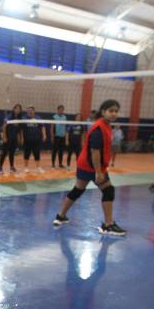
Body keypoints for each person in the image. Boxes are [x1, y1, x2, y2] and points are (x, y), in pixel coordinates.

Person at [52, 99, 126, 236]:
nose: (114, 113)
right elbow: (95, 152)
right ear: (103, 112)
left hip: (84, 164)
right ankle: (108, 225)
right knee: (109, 190)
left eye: (116, 111)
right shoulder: (99, 128)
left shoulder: (105, 126)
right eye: (111, 111)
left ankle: (60, 216)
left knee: (78, 190)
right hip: (92, 166)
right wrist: (98, 172)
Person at [0, 104, 24, 175]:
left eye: (19, 109)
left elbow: (20, 130)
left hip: (14, 138)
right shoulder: (9, 116)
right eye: (16, 108)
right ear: (14, 109)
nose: (18, 110)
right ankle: (0, 167)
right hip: (8, 137)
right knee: (4, 153)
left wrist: (21, 138)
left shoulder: (19, 118)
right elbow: (4, 126)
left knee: (12, 153)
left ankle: (11, 167)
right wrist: (4, 137)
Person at [22, 106, 45, 173]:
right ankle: (26, 167)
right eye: (29, 110)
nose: (30, 111)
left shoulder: (38, 118)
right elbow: (21, 129)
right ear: (27, 111)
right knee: (27, 153)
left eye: (31, 110)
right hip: (27, 139)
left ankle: (38, 167)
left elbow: (42, 127)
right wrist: (22, 138)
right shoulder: (24, 118)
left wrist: (44, 135)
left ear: (34, 111)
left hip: (36, 139)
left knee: (37, 153)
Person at [51, 105, 68, 169]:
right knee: (54, 151)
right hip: (56, 136)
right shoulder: (54, 117)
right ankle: (53, 164)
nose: (61, 111)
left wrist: (66, 137)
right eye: (60, 109)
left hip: (62, 136)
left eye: (62, 109)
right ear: (57, 110)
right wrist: (52, 136)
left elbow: (65, 127)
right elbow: (52, 127)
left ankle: (60, 164)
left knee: (61, 151)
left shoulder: (65, 117)